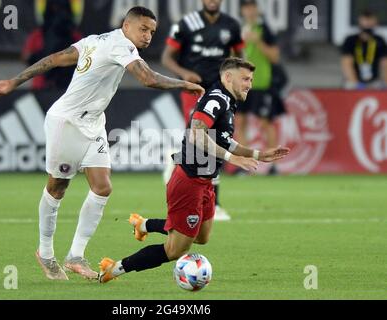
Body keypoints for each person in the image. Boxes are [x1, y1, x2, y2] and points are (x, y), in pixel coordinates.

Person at [0, 7, 204, 281]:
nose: (148, 36)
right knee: (57, 187)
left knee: (102, 187)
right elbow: (148, 78)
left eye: (152, 32)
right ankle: (46, 252)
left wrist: (14, 81)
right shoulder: (121, 46)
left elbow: (54, 58)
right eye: (143, 29)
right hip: (67, 122)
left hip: (94, 123)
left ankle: (76, 256)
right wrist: (184, 84)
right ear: (127, 26)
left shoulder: (95, 40)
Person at [98, 58, 290, 284]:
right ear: (228, 77)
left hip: (205, 181)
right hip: (188, 182)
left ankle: (143, 224)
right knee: (174, 251)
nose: (249, 84)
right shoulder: (215, 100)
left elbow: (224, 139)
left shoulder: (228, 101)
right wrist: (233, 159)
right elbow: (197, 135)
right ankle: (114, 268)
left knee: (202, 236)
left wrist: (258, 155)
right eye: (245, 79)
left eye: (251, 79)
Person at [161, 0, 245, 221]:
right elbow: (166, 58)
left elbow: (239, 58)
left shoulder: (232, 25)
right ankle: (213, 204)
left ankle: (207, 199)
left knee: (214, 141)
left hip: (220, 92)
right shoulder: (187, 23)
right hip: (195, 91)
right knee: (205, 141)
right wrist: (184, 73)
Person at [235, 0, 285, 176]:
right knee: (239, 122)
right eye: (246, 7)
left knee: (265, 123)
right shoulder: (236, 29)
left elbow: (275, 57)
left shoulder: (265, 30)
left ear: (257, 9)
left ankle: (274, 167)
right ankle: (247, 167)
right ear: (242, 10)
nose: (249, 10)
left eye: (252, 6)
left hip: (261, 83)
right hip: (239, 85)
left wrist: (258, 42)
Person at [22, 0, 83, 90]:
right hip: (42, 87)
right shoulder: (38, 35)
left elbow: (85, 57)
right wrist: (42, 57)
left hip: (68, 86)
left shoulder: (75, 36)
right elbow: (26, 56)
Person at [341, 10, 387, 90]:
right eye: (366, 20)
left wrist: (385, 82)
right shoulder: (351, 40)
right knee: (349, 85)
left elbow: (384, 63)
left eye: (370, 21)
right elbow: (346, 63)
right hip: (354, 81)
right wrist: (356, 84)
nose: (368, 24)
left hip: (374, 82)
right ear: (360, 21)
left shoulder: (379, 40)